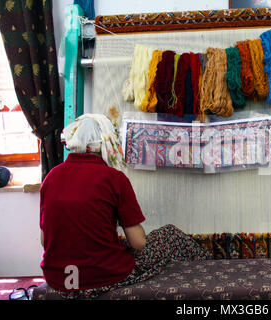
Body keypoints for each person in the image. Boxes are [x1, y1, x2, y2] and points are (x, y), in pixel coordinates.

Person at [39, 114, 210, 299]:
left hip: (58, 278)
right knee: (170, 234)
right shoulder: (113, 178)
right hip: (101, 277)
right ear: (107, 145)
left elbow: (44, 239)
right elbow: (138, 243)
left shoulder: (51, 176)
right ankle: (211, 275)